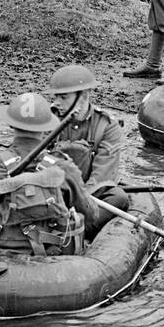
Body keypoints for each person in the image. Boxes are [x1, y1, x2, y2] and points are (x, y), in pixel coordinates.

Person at [0, 93, 99, 255]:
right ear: (46, 127)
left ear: (11, 125)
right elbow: (91, 215)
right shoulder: (63, 167)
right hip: (47, 258)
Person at [42, 64, 129, 232]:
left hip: (89, 193)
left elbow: (102, 175)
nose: (57, 103)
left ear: (83, 96)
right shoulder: (48, 119)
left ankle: (73, 229)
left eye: (64, 97)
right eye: (56, 97)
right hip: (52, 190)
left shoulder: (106, 126)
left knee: (118, 197)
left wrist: (81, 200)